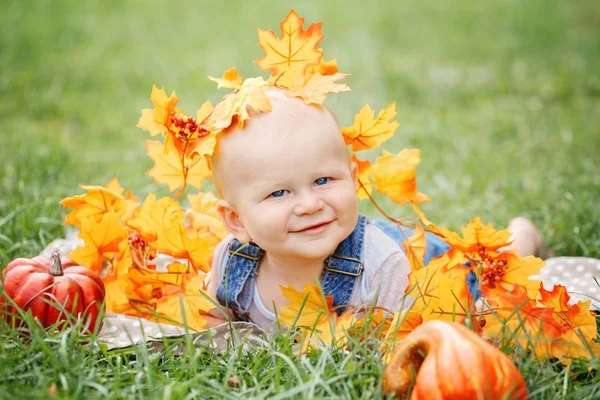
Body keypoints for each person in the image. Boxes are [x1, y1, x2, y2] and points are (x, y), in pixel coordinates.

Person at [203, 89, 554, 331]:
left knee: (495, 273)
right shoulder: (232, 262)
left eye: (324, 180)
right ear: (236, 220)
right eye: (279, 193)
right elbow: (216, 324)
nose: (310, 205)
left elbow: (400, 341)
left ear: (353, 179)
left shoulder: (381, 265)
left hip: (428, 267)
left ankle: (523, 235)